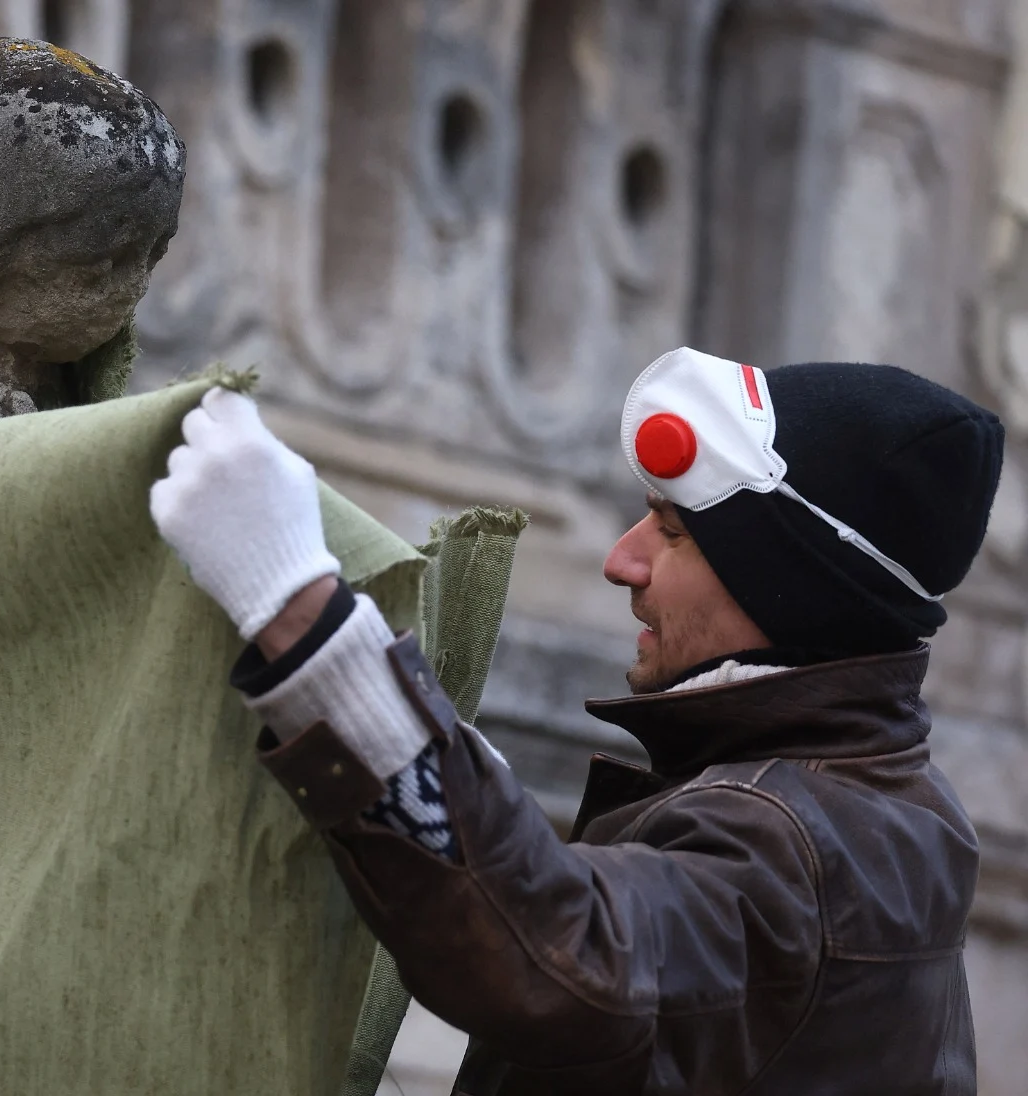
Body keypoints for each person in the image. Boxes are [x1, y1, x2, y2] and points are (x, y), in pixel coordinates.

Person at [149, 347, 1004, 1094]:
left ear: (791, 592)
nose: (618, 559)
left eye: (671, 534)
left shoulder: (794, 839)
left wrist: (303, 615)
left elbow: (567, 963)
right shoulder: (882, 803)